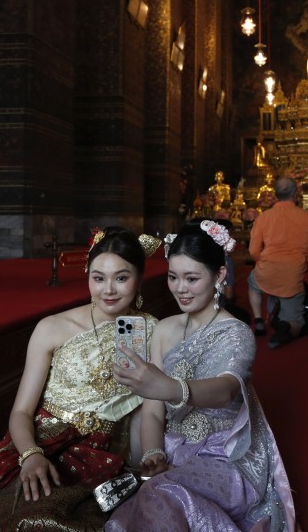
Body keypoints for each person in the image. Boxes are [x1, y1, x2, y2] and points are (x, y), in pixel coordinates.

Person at [0, 227, 161, 532]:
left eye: (121, 278)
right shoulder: (52, 328)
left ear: (140, 279)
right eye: (98, 278)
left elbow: (149, 406)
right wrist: (31, 455)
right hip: (43, 440)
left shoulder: (151, 332)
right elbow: (21, 411)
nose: (108, 290)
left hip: (105, 453)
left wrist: (150, 455)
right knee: (5, 513)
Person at [107, 220, 296, 531]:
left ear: (219, 275)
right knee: (152, 491)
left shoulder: (236, 333)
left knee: (158, 494)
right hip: (173, 451)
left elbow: (226, 390)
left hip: (226, 458)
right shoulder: (165, 329)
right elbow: (153, 412)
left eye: (192, 278)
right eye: (173, 277)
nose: (181, 288)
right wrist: (154, 453)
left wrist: (168, 387)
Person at [247, 176, 308, 348]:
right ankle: (285, 326)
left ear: (275, 195)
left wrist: (262, 262)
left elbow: (253, 251)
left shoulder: (264, 217)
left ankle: (259, 320)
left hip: (265, 273)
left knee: (253, 281)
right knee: (298, 325)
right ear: (296, 194)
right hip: (292, 276)